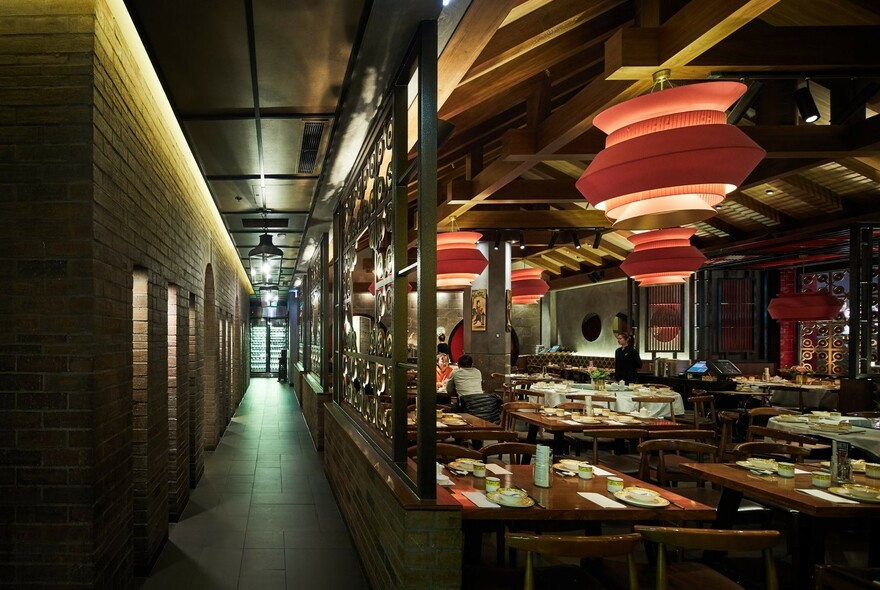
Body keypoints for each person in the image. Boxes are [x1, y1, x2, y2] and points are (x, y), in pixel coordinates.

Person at [446, 354, 501, 423]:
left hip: (467, 405)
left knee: (443, 408)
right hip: (483, 403)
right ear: (472, 364)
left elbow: (449, 390)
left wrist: (457, 390)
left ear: (458, 364)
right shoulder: (477, 371)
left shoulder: (455, 372)